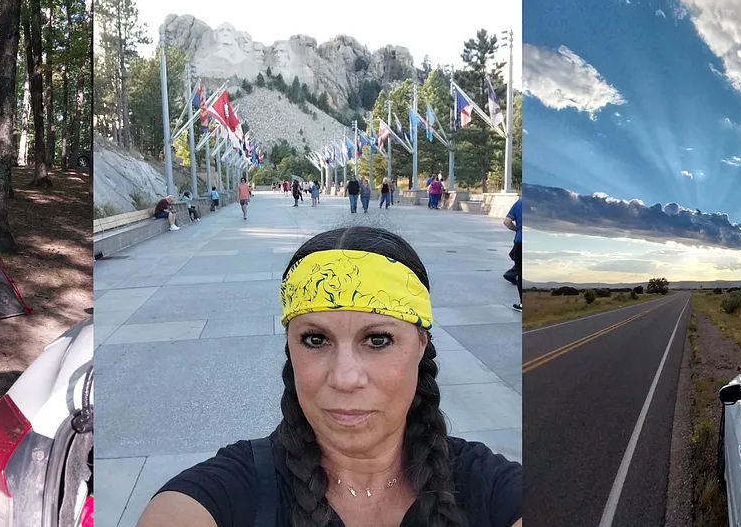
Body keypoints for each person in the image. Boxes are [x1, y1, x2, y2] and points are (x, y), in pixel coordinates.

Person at [138, 226, 523, 527]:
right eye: (316, 339)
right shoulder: (228, 492)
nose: (345, 378)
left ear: (421, 344)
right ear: (290, 347)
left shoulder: (491, 489)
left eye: (377, 339)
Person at [504, 197, 522, 312]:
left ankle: (522, 303)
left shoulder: (519, 203)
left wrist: (517, 230)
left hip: (520, 241)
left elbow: (507, 222)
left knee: (521, 272)